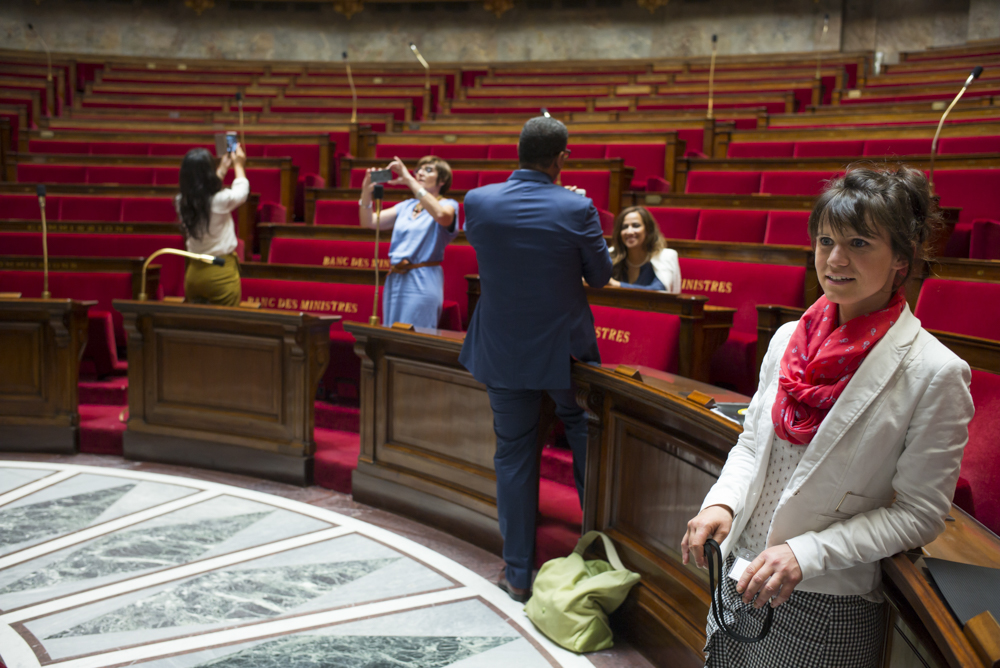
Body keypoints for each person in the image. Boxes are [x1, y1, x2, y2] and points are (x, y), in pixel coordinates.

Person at [680, 165, 974, 667]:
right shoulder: (786, 339)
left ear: (901, 259)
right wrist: (722, 504)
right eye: (825, 241)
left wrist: (805, 553)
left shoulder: (936, 372)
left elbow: (919, 514)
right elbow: (754, 444)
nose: (835, 259)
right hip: (738, 575)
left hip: (826, 599)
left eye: (859, 243)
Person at [459, 117, 613, 603]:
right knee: (586, 444)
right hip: (563, 352)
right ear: (561, 158)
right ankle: (595, 562)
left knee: (514, 457)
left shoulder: (478, 201)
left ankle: (519, 573)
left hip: (501, 349)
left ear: (518, 153)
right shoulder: (577, 206)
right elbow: (602, 276)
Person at [358, 155, 459, 328]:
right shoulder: (407, 206)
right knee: (391, 335)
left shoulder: (448, 204)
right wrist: (366, 192)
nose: (420, 173)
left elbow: (442, 216)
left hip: (423, 278)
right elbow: (369, 222)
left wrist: (410, 181)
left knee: (414, 338)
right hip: (396, 278)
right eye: (418, 170)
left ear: (442, 180)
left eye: (428, 170)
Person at [177, 145, 248, 307]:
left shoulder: (181, 201)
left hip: (193, 273)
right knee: (225, 327)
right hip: (220, 272)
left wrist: (223, 168)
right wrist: (238, 165)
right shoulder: (220, 200)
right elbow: (242, 191)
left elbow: (203, 192)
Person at [606, 205, 681, 293]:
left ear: (648, 230)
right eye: (624, 227)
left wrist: (616, 285)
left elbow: (659, 291)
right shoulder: (611, 254)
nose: (629, 232)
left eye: (636, 226)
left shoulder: (665, 256)